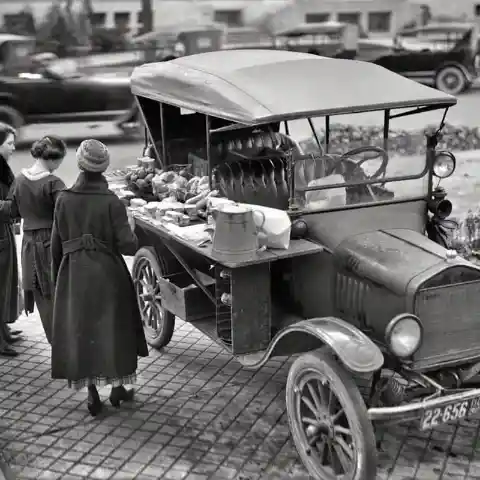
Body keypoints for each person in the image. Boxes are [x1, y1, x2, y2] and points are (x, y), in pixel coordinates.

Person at [50, 139, 148, 417]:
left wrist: (59, 280)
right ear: (103, 168)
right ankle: (118, 388)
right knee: (113, 331)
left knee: (85, 334)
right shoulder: (112, 202)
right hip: (109, 274)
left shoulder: (64, 200)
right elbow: (129, 246)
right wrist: (131, 224)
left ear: (80, 165)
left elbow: (56, 247)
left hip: (74, 274)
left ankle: (92, 394)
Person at [0, 135, 67, 344]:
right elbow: (67, 216)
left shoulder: (19, 179)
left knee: (40, 293)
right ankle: (65, 344)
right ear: (53, 159)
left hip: (28, 244)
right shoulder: (54, 183)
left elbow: (11, 211)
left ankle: (54, 340)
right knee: (59, 292)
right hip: (50, 242)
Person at [0, 123, 21, 357]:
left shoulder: (2, 166)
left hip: (4, 233)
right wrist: (14, 206)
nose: (14, 147)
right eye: (9, 143)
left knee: (5, 285)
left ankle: (3, 330)